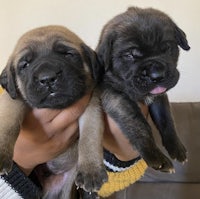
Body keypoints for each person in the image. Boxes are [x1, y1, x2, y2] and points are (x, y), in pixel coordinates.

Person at [0, 91, 148, 199]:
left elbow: (96, 183)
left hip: (73, 178)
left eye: (68, 54)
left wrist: (124, 157)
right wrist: (19, 163)